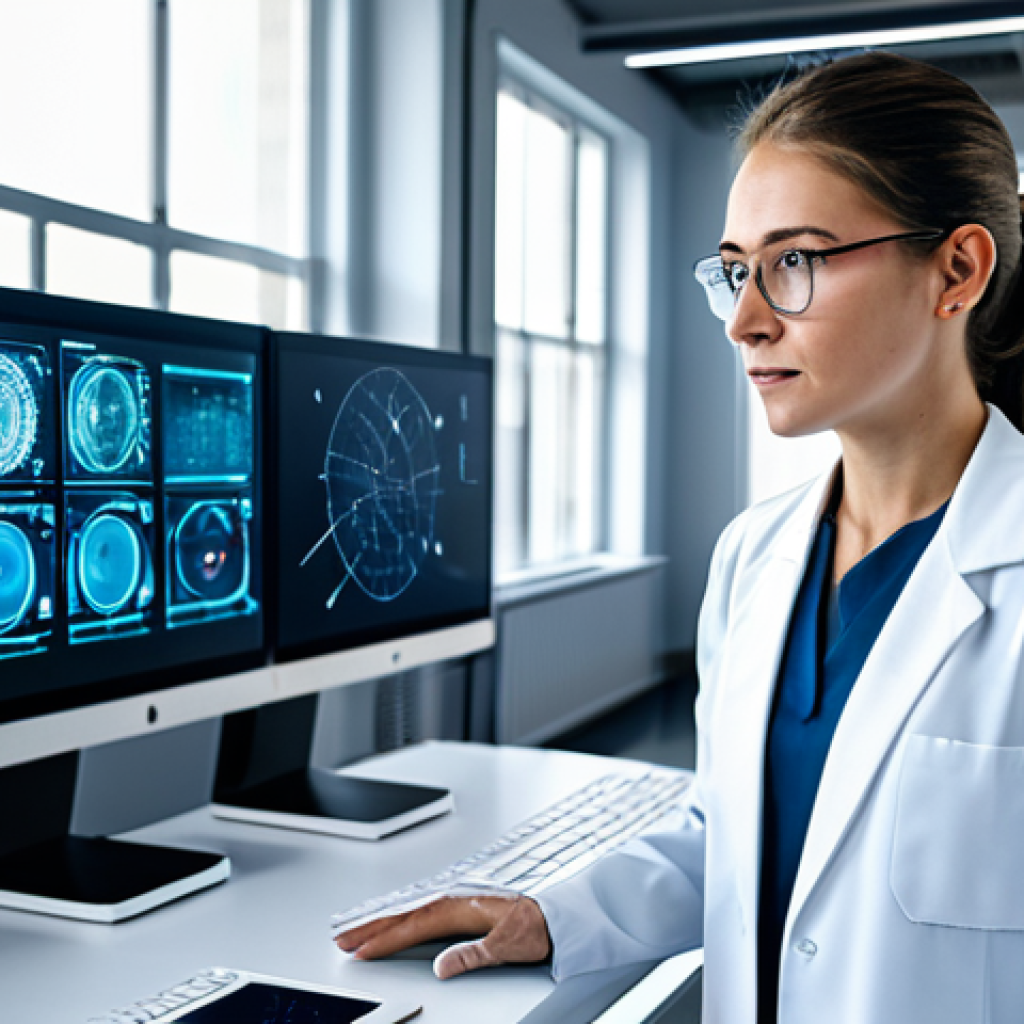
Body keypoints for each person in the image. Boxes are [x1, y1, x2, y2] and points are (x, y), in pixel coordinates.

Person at [335, 52, 1024, 1022]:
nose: (744, 320)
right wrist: (554, 914)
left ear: (955, 269)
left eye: (794, 263)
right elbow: (734, 835)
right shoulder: (754, 556)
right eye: (734, 271)